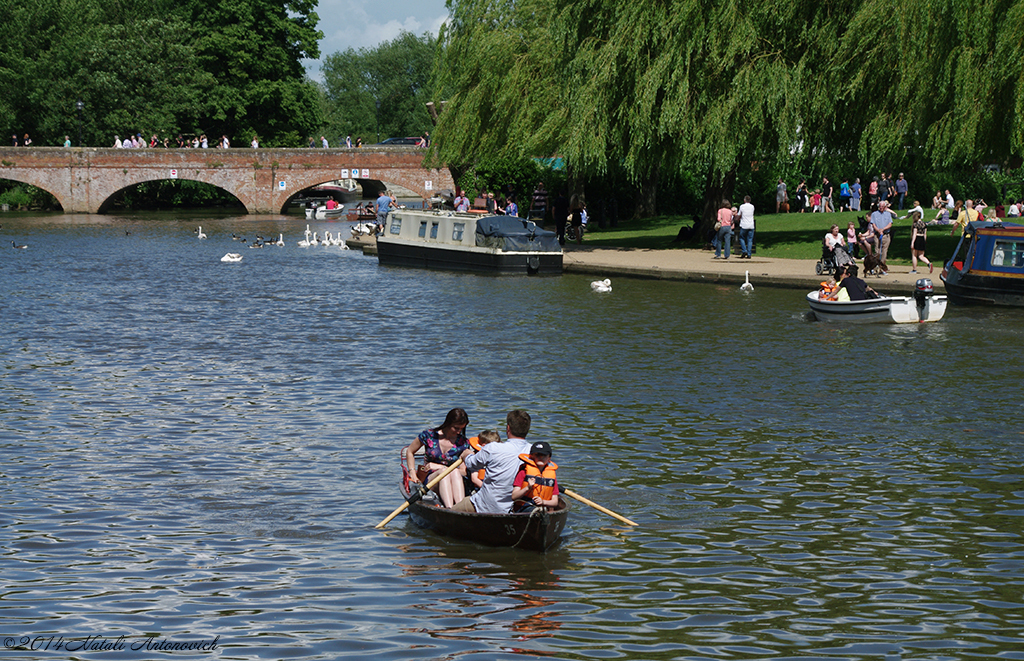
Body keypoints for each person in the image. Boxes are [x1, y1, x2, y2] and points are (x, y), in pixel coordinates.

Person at [452, 410, 534, 514]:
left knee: (450, 512)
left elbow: (471, 464)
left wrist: (466, 454)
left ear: (508, 428)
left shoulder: (493, 448)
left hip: (485, 506)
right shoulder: (534, 452)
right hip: (517, 507)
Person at [406, 408, 471, 509]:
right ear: (448, 423)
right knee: (443, 473)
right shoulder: (429, 435)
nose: (459, 432)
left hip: (454, 479)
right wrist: (412, 473)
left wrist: (439, 466)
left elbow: (463, 471)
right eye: (456, 428)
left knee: (453, 472)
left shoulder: (463, 443)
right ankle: (450, 508)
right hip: (431, 479)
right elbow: (410, 451)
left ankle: (459, 507)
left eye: (461, 429)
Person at [510, 441, 559, 512]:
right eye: (537, 455)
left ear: (549, 458)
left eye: (544, 455)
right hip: (523, 509)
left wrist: (543, 502)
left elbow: (555, 502)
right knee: (535, 511)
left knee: (542, 512)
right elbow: (514, 496)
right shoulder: (523, 472)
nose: (541, 457)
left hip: (543, 509)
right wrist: (527, 488)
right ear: (531, 456)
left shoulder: (551, 475)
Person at [871, 200, 894, 269]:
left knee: (884, 251)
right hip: (877, 234)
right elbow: (873, 224)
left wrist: (883, 229)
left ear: (885, 207)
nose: (881, 208)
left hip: (886, 234)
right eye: (880, 206)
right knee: (877, 252)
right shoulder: (874, 214)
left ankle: (882, 266)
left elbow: (890, 224)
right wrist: (878, 230)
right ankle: (875, 265)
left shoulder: (888, 214)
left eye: (882, 206)